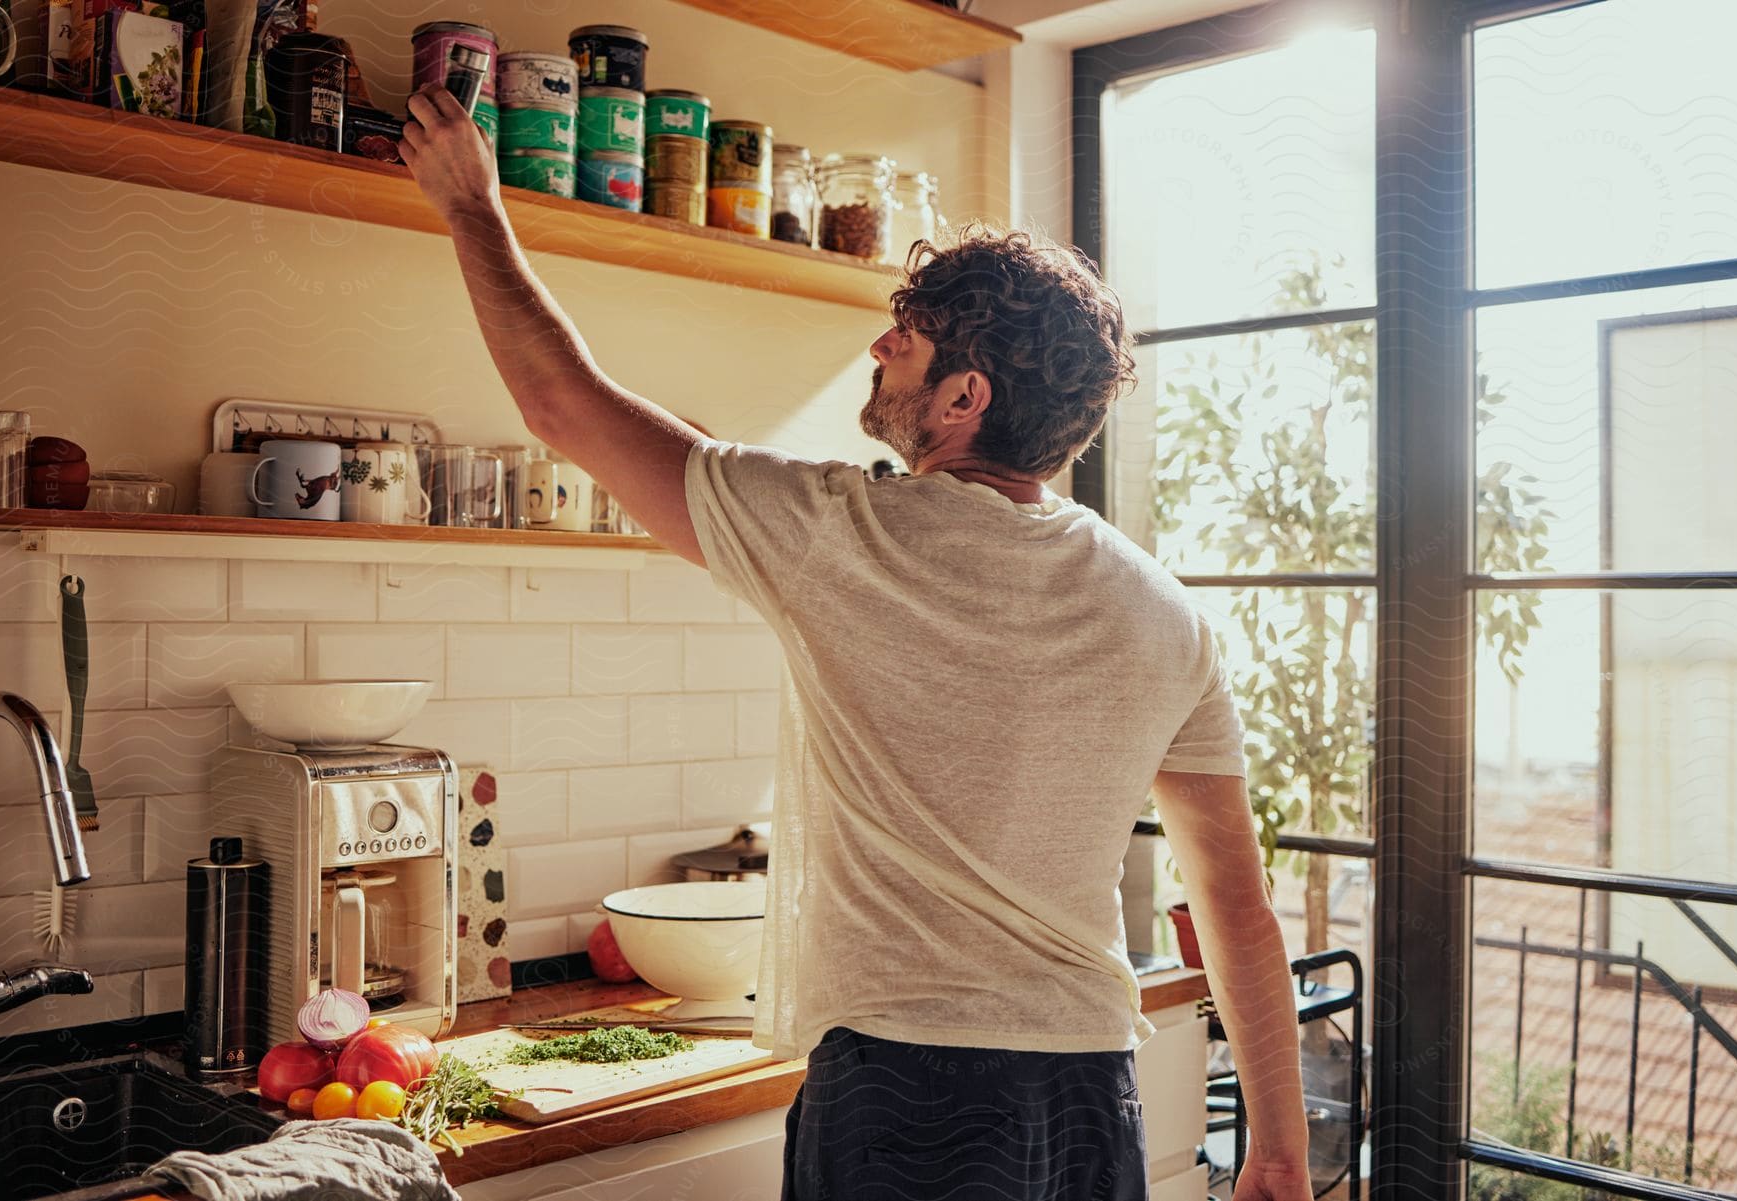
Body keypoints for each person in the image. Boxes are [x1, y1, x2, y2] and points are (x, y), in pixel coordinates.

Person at [401, 84, 1314, 1201]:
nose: (880, 344)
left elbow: (562, 404)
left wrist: (472, 208)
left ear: (962, 396)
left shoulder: (847, 533)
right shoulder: (1165, 611)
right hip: (1088, 1094)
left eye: (910, 339)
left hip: (903, 1092)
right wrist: (1278, 1145)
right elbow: (1236, 901)